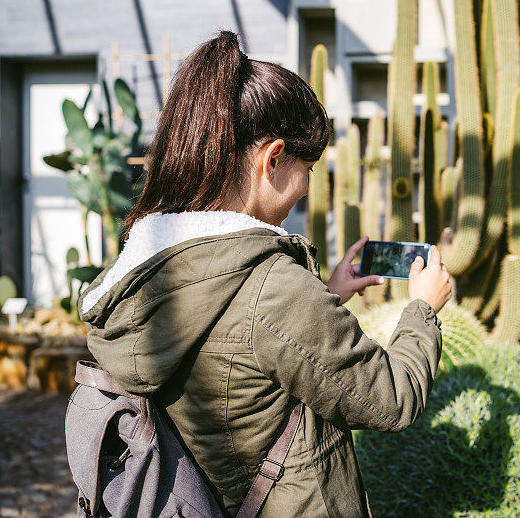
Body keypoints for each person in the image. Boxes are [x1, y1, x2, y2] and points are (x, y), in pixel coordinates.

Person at [77, 30, 451, 517]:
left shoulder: (149, 267)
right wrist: (423, 309)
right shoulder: (273, 287)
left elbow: (240, 347)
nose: (306, 186)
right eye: (308, 167)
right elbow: (391, 398)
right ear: (273, 159)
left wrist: (324, 296)